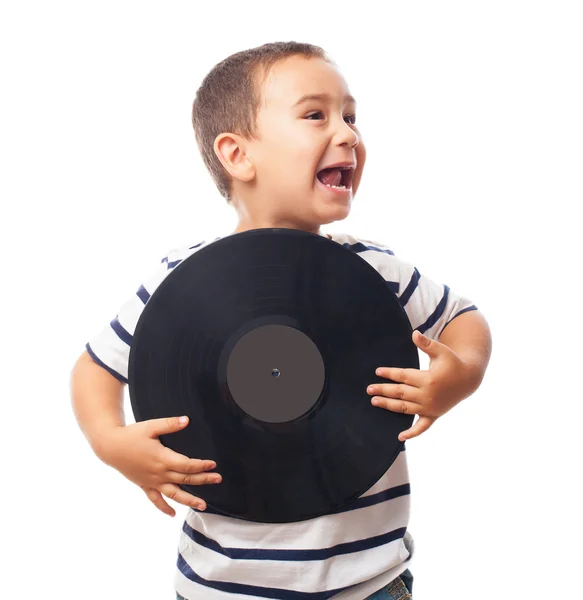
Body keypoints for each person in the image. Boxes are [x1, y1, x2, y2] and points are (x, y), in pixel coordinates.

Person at [70, 41, 492, 600]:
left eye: (351, 116)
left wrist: (458, 375)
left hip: (373, 586)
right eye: (315, 115)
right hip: (222, 591)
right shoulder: (182, 280)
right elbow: (94, 369)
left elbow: (464, 319)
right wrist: (110, 442)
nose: (347, 134)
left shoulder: (376, 269)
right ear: (238, 155)